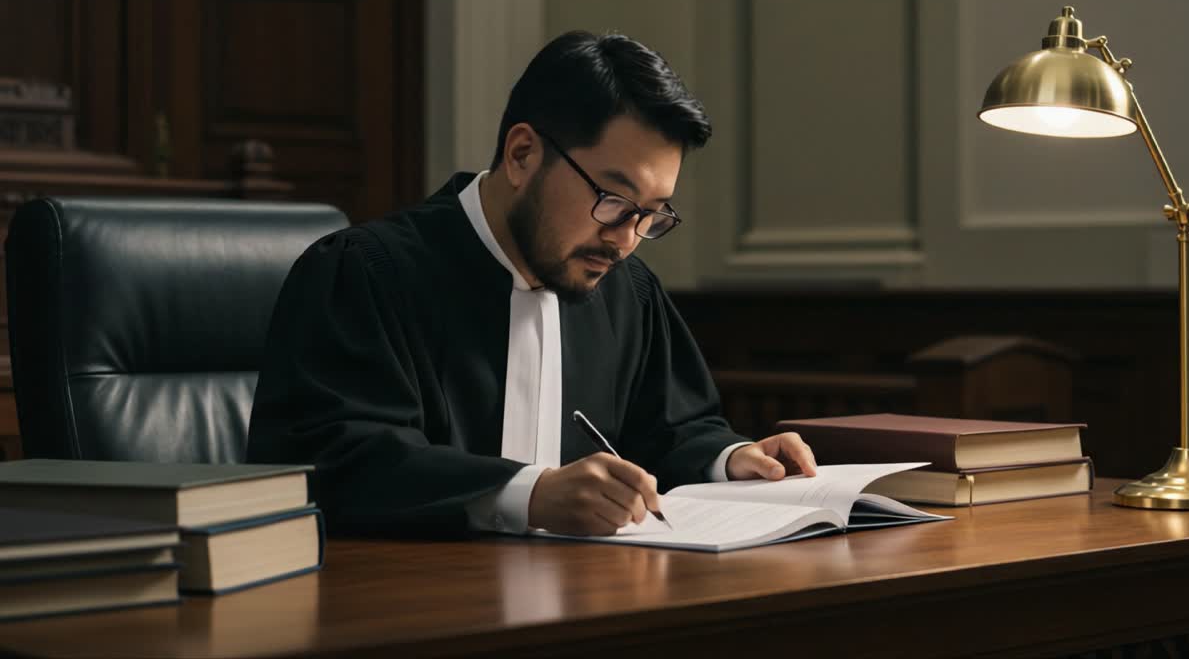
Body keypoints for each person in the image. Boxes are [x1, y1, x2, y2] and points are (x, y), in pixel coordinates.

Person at [247, 30, 816, 538]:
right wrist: (530, 494)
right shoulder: (363, 273)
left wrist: (733, 457)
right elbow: (338, 463)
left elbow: (669, 429)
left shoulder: (629, 291)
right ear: (522, 155)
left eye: (652, 214)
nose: (625, 240)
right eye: (613, 201)